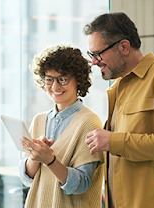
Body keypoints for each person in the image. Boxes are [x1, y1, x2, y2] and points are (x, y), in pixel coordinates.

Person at [83, 12, 154, 208]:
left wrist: (114, 141)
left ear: (124, 47)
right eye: (91, 55)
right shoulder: (117, 87)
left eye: (98, 54)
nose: (94, 61)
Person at [18, 44, 105, 208]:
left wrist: (49, 160)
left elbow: (81, 184)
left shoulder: (89, 122)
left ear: (78, 79)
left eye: (62, 79)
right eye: (49, 79)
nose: (55, 87)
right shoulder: (39, 120)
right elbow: (27, 178)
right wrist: (35, 157)